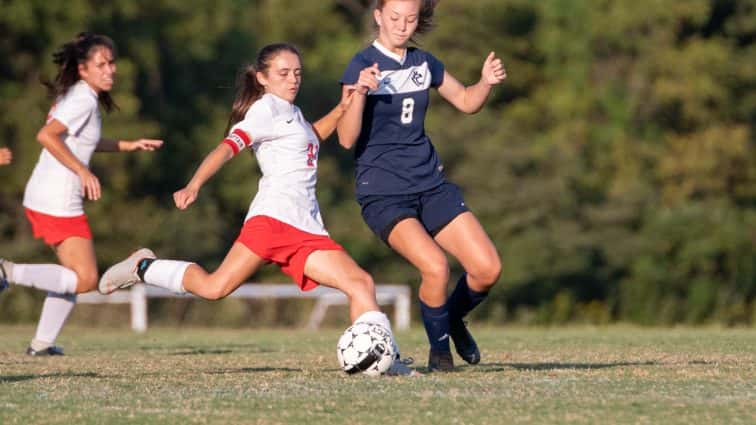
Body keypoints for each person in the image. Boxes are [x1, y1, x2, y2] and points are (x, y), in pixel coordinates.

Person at [98, 43, 418, 376]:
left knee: (361, 283)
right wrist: (194, 184)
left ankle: (385, 361)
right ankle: (143, 266)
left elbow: (311, 137)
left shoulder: (292, 112)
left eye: (297, 73)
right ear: (262, 78)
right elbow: (226, 148)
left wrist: (343, 106)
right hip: (273, 221)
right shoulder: (265, 111)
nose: (293, 79)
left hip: (306, 227)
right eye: (283, 73)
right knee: (214, 288)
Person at [337, 0, 506, 371]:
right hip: (383, 193)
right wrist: (360, 93)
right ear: (379, 16)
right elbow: (346, 139)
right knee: (435, 266)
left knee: (487, 268)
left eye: (410, 18)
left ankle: (451, 319)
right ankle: (440, 355)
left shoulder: (424, 63)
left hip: (431, 184)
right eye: (394, 17)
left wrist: (486, 83)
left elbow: (466, 101)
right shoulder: (361, 65)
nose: (402, 25)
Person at [0, 32, 163, 356]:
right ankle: (6, 271)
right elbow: (47, 136)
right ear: (83, 69)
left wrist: (126, 145)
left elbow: (81, 141)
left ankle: (42, 344)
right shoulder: (81, 99)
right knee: (86, 279)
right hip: (57, 198)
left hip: (50, 194)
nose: (110, 70)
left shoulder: (81, 95)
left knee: (73, 276)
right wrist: (82, 170)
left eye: (112, 63)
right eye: (101, 64)